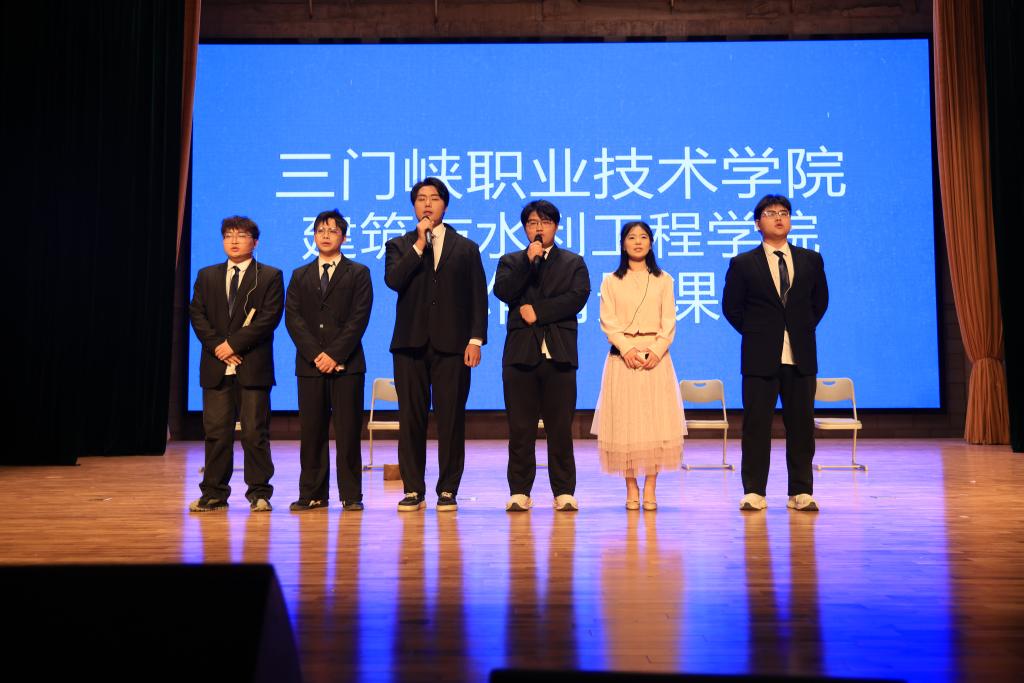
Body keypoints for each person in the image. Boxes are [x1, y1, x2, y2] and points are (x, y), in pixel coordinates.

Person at [384, 177, 487, 512]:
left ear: (445, 204)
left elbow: (477, 297)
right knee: (410, 419)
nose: (427, 204)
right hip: (409, 345)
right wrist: (418, 244)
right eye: (421, 199)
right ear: (414, 206)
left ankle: (448, 489)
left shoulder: (466, 248)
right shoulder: (399, 245)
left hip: (453, 346)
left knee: (451, 419)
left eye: (434, 198)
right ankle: (413, 488)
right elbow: (394, 280)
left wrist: (475, 340)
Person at [722, 194, 829, 512]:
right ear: (758, 223)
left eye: (784, 213)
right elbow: (732, 308)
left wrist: (799, 328)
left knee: (801, 426)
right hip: (760, 357)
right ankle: (754, 491)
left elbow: (819, 302)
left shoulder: (811, 260)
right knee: (756, 426)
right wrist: (758, 333)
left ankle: (801, 491)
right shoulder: (743, 263)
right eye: (771, 213)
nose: (779, 218)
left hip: (800, 355)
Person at [494, 200, 591, 513]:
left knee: (559, 429)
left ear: (556, 227)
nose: (539, 228)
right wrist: (527, 262)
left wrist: (539, 311)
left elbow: (577, 297)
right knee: (520, 429)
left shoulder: (573, 262)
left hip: (559, 354)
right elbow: (504, 292)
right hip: (520, 355)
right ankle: (519, 491)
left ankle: (563, 491)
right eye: (533, 223)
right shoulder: (511, 261)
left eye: (545, 222)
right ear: (525, 228)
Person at [188, 216, 284, 512]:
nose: (233, 240)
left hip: (252, 366)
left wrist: (234, 345)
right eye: (228, 235)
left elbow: (268, 318)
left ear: (255, 242)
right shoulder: (207, 275)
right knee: (217, 433)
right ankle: (214, 493)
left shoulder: (269, 276)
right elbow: (197, 314)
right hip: (216, 365)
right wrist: (219, 347)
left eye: (241, 235)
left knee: (255, 433)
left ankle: (259, 493)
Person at [591, 221, 685, 511]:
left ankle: (651, 487)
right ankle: (631, 487)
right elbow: (608, 321)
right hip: (623, 359)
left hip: (656, 359)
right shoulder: (611, 281)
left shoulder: (664, 279)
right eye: (631, 237)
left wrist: (656, 351)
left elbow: (669, 322)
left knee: (655, 424)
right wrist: (627, 348)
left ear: (651, 243)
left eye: (643, 237)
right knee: (625, 425)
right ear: (623, 244)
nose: (638, 242)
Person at [285, 209, 373, 512]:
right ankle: (313, 493)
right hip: (309, 366)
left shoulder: (358, 273)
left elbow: (359, 318)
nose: (325, 235)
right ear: (313, 236)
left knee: (348, 432)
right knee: (312, 432)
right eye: (320, 230)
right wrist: (316, 355)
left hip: (348, 366)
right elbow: (293, 319)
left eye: (332, 231)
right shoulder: (300, 275)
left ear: (344, 237)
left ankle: (351, 495)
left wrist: (334, 354)